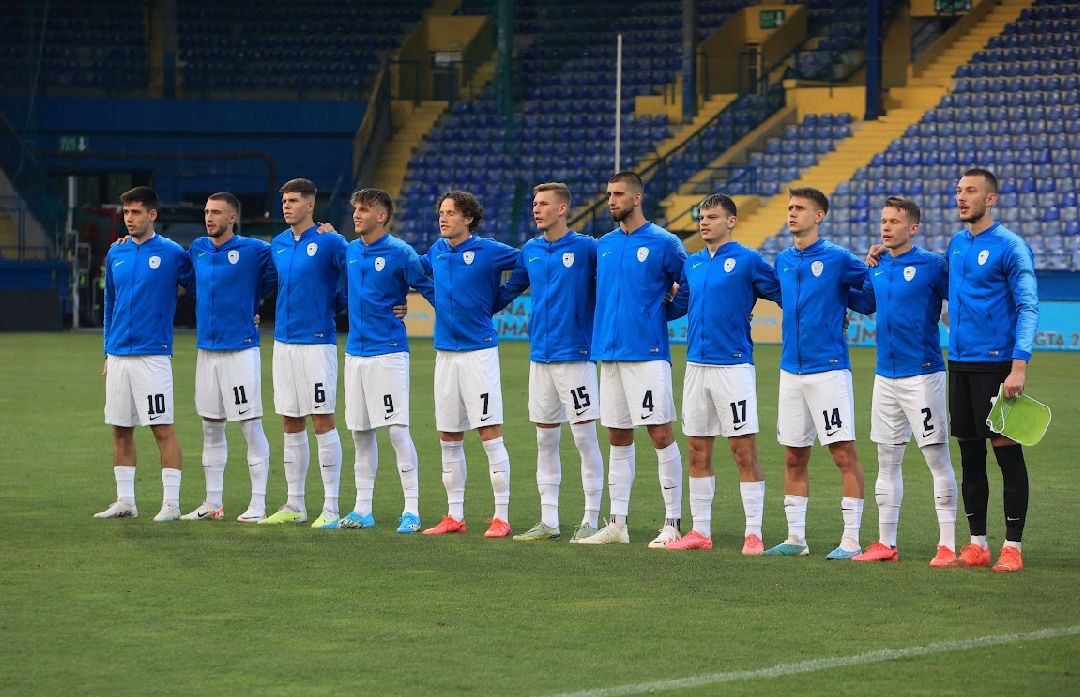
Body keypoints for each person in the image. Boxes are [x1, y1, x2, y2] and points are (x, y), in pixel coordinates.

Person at [664, 193, 781, 553]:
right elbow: (678, 307)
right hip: (696, 366)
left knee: (742, 450)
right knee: (697, 449)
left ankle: (753, 532)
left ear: (731, 221)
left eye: (712, 217)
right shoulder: (693, 263)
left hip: (733, 367)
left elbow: (783, 294)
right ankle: (700, 531)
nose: (704, 222)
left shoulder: (749, 260)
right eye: (701, 217)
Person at [577, 171, 688, 547]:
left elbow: (690, 283)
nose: (611, 200)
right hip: (608, 354)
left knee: (660, 433)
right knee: (618, 436)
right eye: (609, 194)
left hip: (647, 354)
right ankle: (617, 525)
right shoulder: (604, 245)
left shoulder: (664, 243)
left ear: (637, 198)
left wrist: (663, 313)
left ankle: (672, 523)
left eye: (619, 194)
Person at [763, 187, 874, 559]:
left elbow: (869, 299)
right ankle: (796, 538)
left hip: (828, 371)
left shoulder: (838, 258)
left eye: (800, 208)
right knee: (793, 455)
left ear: (819, 215)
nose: (792, 213)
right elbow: (781, 296)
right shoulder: (782, 260)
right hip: (790, 371)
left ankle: (851, 540)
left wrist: (844, 301)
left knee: (843, 454)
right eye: (790, 207)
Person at [494, 182, 605, 543]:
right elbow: (507, 292)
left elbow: (615, 282)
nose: (536, 209)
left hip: (575, 358)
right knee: (545, 439)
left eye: (543, 204)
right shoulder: (531, 250)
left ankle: (591, 518)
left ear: (562, 209)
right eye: (534, 203)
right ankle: (549, 521)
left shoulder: (587, 248)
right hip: (539, 359)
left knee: (584, 438)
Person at [850, 196, 958, 566]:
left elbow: (961, 300)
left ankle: (947, 545)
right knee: (887, 460)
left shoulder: (933, 265)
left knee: (936, 458)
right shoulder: (878, 265)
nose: (886, 227)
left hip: (923, 375)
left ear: (913, 228)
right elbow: (865, 303)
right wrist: (863, 270)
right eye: (883, 220)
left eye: (894, 221)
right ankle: (886, 543)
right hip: (885, 376)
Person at [946, 168, 1038, 572]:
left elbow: (1028, 306)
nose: (961, 197)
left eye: (971, 191)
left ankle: (1012, 547)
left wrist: (1018, 366)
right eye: (958, 190)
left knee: (1007, 455)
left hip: (997, 365)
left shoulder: (1010, 246)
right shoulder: (956, 244)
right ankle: (977, 545)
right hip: (959, 364)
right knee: (970, 457)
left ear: (990, 199)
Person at [419, 191, 520, 538]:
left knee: (489, 433)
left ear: (468, 218)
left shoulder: (490, 251)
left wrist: (499, 298)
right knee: (448, 435)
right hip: (445, 354)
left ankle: (501, 517)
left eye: (451, 213)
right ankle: (455, 516)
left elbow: (525, 265)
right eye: (441, 212)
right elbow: (416, 272)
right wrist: (430, 298)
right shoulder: (437, 250)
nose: (443, 218)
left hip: (479, 353)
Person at [339, 188, 436, 534]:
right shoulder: (350, 250)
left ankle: (412, 510)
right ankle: (362, 509)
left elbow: (430, 285)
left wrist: (408, 303)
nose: (357, 215)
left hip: (388, 353)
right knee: (360, 432)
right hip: (354, 353)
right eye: (355, 209)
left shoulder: (400, 252)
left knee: (396, 429)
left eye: (364, 210)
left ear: (381, 216)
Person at [95, 186, 194, 522]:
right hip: (118, 355)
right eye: (126, 212)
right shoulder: (116, 253)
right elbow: (110, 303)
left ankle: (171, 504)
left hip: (153, 355)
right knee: (120, 428)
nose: (129, 218)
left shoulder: (172, 253)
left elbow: (202, 286)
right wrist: (107, 351)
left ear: (152, 214)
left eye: (136, 212)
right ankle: (125, 501)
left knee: (161, 427)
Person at [180, 192, 277, 524]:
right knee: (210, 427)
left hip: (240, 350)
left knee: (250, 425)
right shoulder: (197, 248)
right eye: (207, 211)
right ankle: (213, 502)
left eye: (217, 212)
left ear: (233, 217)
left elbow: (285, 269)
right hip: (206, 351)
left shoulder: (255, 249)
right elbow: (187, 279)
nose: (209, 217)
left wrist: (253, 301)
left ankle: (258, 503)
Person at [259, 178, 348, 528]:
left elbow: (356, 271)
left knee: (322, 420)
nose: (287, 206)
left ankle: (331, 508)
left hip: (317, 343)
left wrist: (338, 306)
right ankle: (294, 503)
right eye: (284, 201)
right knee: (290, 420)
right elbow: (267, 283)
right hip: (283, 343)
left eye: (294, 200)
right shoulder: (279, 243)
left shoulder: (329, 241)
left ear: (310, 205)